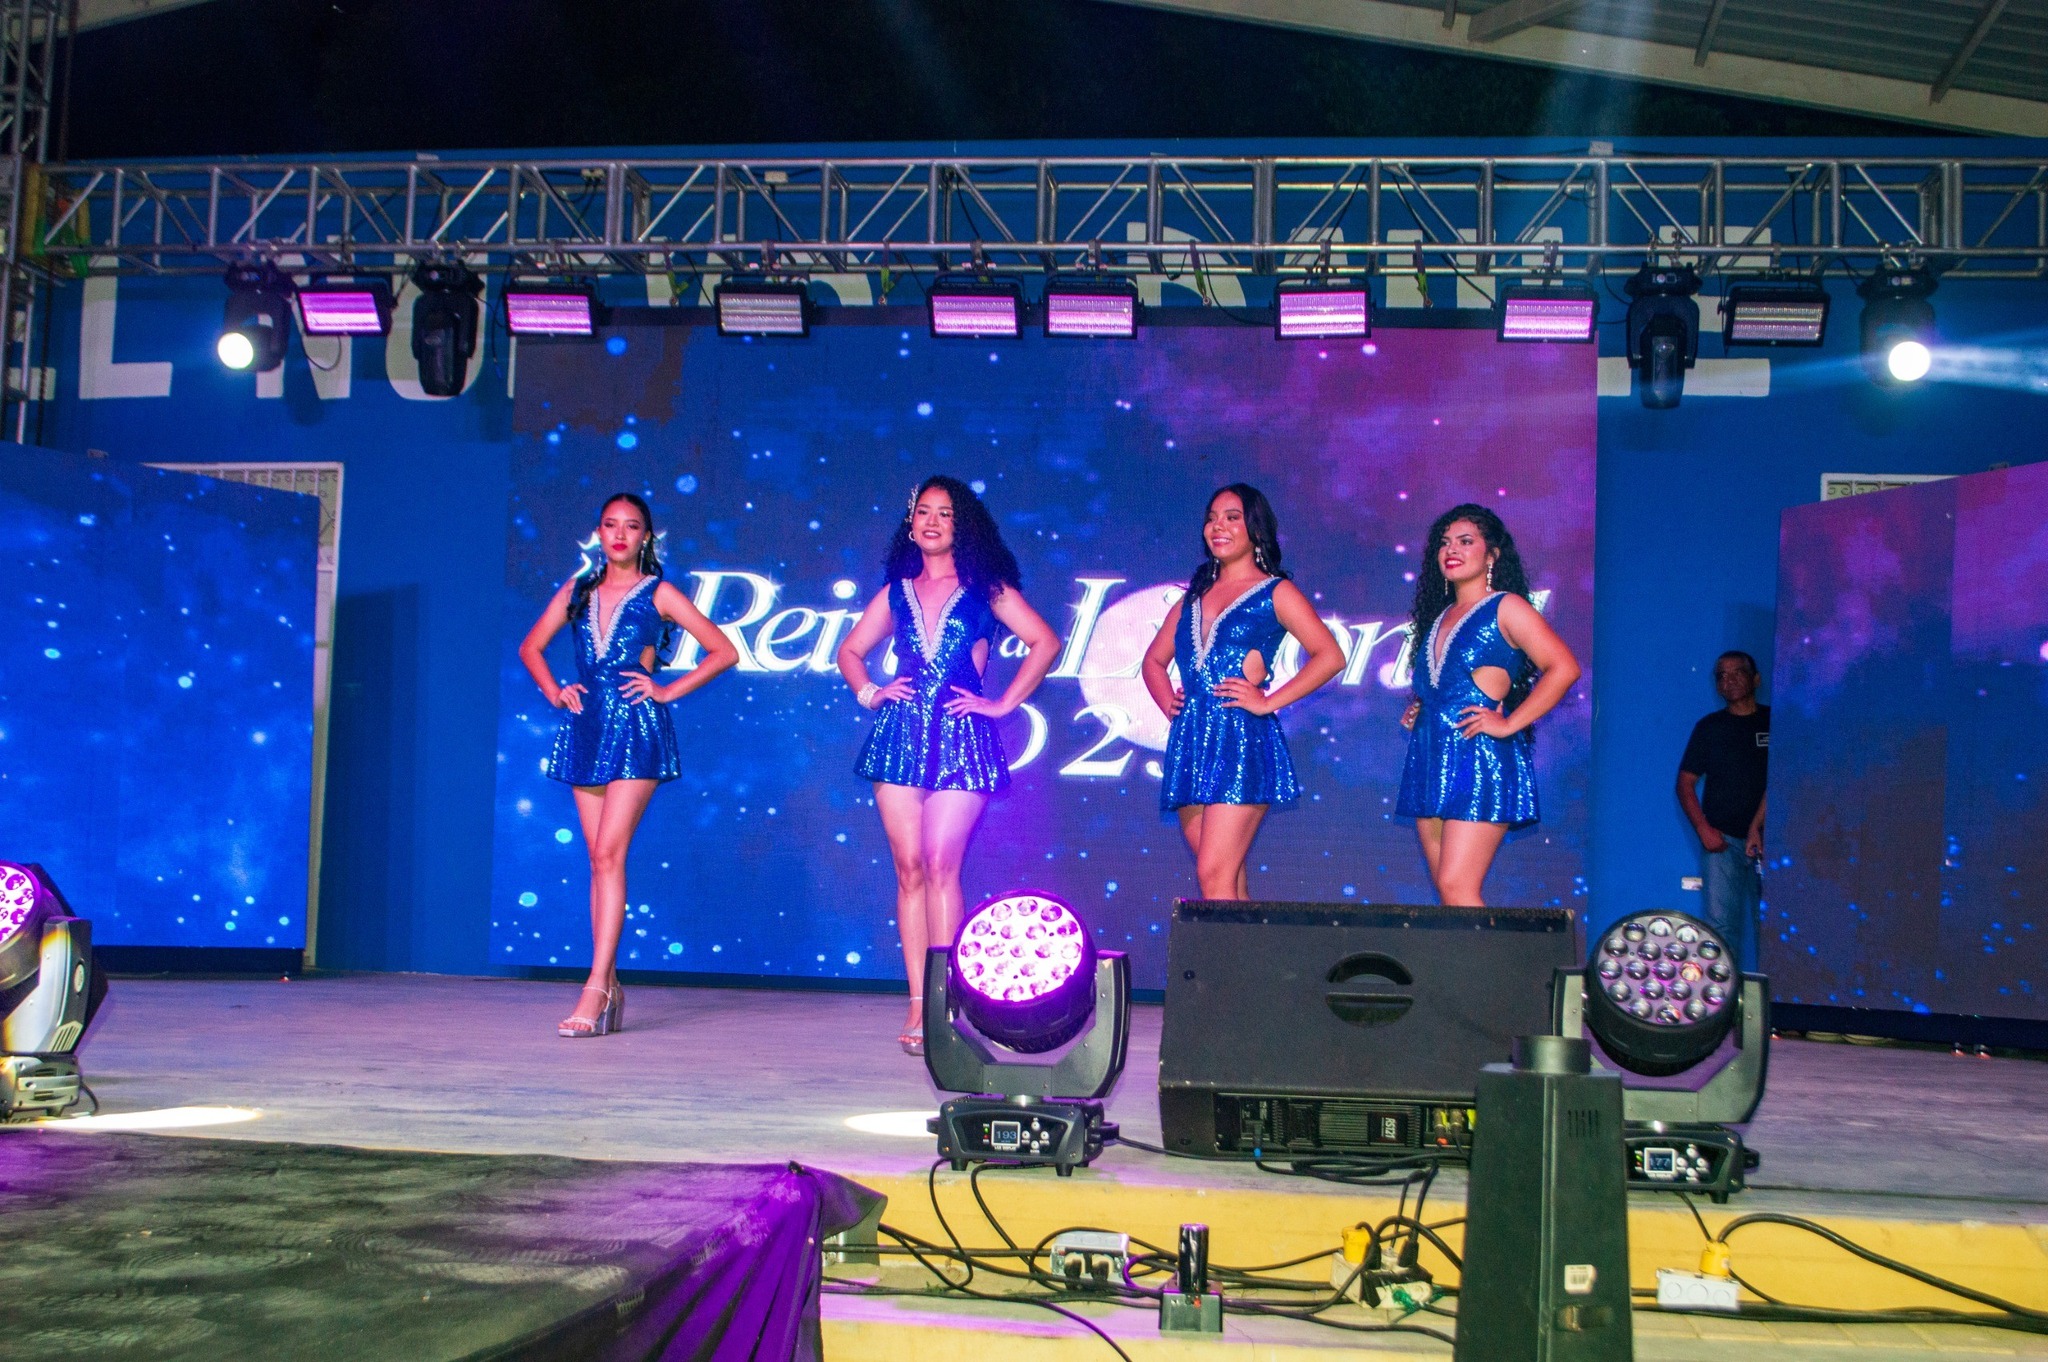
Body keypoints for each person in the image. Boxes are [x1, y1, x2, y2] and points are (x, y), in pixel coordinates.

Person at [836, 476, 1060, 1055]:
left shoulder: (988, 588)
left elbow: (1045, 641)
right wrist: (870, 692)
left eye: (945, 513)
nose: (932, 522)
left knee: (940, 864)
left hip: (963, 738)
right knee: (909, 868)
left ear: (963, 525)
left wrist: (1003, 704)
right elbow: (850, 651)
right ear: (910, 523)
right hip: (900, 738)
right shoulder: (896, 592)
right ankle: (918, 1004)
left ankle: (947, 1001)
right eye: (923, 512)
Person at [518, 493, 739, 1037]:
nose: (619, 534)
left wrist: (666, 690)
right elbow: (531, 647)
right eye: (610, 525)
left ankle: (595, 987)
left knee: (609, 853)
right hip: (586, 727)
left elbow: (723, 650)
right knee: (597, 861)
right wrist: (555, 691)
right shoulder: (578, 590)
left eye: (631, 526)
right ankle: (610, 985)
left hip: (636, 729)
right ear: (599, 533)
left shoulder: (660, 592)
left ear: (646, 536)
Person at [1142, 484, 1345, 900]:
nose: (1218, 526)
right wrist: (1171, 705)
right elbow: (1153, 662)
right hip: (1192, 743)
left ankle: (1222, 947)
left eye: (1232, 518)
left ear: (1255, 529)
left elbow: (1330, 656)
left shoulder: (1275, 592)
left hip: (1240, 740)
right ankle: (1243, 945)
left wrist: (1267, 702)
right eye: (1212, 518)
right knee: (1225, 881)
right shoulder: (1190, 600)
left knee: (1214, 875)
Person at [1396, 503, 1581, 907]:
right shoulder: (1438, 616)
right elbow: (1450, 682)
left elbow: (1564, 668)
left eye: (1465, 541)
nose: (1451, 550)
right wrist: (1424, 707)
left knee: (1457, 887)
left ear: (1492, 555)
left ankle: (1490, 954)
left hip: (1478, 759)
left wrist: (1509, 723)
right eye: (1445, 542)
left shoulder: (1507, 606)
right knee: (1449, 895)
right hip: (1430, 757)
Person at [1677, 651, 1769, 969]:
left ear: (1756, 679)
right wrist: (1704, 830)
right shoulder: (1710, 728)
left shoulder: (1775, 721)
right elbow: (1684, 783)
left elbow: (1787, 778)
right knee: (1720, 930)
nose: (1729, 680)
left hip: (1771, 843)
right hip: (1723, 843)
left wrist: (1757, 825)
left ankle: (1776, 999)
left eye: (1737, 672)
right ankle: (1725, 999)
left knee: (1773, 929)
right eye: (1721, 675)